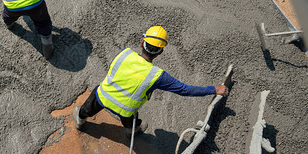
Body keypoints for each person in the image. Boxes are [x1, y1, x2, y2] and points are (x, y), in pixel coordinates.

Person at [73, 26, 229, 136]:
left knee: (95, 94)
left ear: (142, 43)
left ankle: (80, 119)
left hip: (103, 97)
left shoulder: (124, 54)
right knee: (131, 119)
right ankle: (132, 131)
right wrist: (214, 89)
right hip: (126, 110)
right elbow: (185, 90)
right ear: (160, 52)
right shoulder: (157, 76)